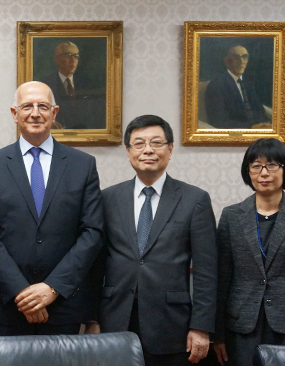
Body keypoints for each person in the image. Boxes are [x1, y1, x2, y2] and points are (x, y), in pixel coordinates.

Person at [0, 81, 103, 336]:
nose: (35, 113)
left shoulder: (82, 165)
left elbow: (92, 233)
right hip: (7, 305)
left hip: (63, 305)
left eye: (43, 106)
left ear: (54, 114)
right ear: (14, 114)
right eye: (27, 106)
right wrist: (21, 292)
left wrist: (52, 288)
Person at [97, 115, 217, 366]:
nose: (148, 150)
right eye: (138, 143)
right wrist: (91, 318)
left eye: (156, 142)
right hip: (115, 318)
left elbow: (207, 270)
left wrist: (202, 327)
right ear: (128, 151)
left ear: (170, 149)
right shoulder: (107, 199)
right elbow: (94, 263)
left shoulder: (194, 199)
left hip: (172, 324)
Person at [213, 138, 285, 366]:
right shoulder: (231, 216)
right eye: (256, 165)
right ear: (248, 171)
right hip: (241, 325)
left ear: (284, 169)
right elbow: (222, 279)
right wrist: (217, 335)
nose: (264, 173)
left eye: (272, 165)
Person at [39, 41, 106, 129]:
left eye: (76, 56)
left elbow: (97, 113)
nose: (73, 60)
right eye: (68, 55)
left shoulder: (87, 84)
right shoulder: (45, 84)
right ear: (56, 59)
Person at [205, 45, 271, 129]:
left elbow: (260, 111)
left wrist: (265, 124)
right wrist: (251, 127)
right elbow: (218, 121)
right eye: (236, 57)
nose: (241, 61)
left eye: (244, 57)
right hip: (236, 133)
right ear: (226, 61)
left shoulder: (248, 84)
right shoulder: (216, 85)